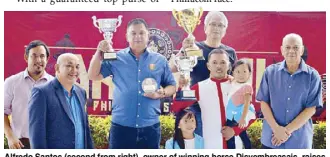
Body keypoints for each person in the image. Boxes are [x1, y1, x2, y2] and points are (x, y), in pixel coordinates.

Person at [88, 18, 176, 149]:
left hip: (150, 128)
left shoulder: (160, 60)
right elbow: (93, 75)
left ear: (148, 36)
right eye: (133, 33)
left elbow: (172, 86)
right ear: (127, 36)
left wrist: (161, 93)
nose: (138, 37)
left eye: (141, 33)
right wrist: (98, 53)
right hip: (121, 128)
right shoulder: (116, 58)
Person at [171, 11, 237, 136]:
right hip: (196, 107)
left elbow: (234, 79)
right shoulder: (194, 47)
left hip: (221, 108)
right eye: (213, 24)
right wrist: (184, 49)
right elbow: (173, 68)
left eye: (220, 25)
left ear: (225, 30)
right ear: (205, 28)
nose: (216, 28)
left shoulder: (230, 52)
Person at [172, 49, 254, 149]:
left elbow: (252, 114)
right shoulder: (199, 87)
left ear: (229, 65)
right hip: (210, 146)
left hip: (235, 145)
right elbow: (176, 107)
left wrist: (235, 130)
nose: (218, 66)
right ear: (208, 66)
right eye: (214, 62)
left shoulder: (238, 86)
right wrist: (182, 87)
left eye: (223, 62)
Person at [256, 33, 322, 149]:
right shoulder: (269, 72)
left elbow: (311, 109)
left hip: (299, 142)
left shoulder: (313, 76)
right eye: (287, 47)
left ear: (301, 50)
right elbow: (264, 103)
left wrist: (285, 131)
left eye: (296, 47)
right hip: (271, 139)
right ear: (282, 50)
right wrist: (277, 129)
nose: (291, 51)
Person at [29, 53, 94, 149]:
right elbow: (36, 136)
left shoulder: (81, 93)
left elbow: (85, 130)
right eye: (69, 66)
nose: (74, 70)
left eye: (77, 66)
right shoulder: (42, 93)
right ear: (57, 68)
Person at [4, 40, 54, 149]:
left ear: (47, 59)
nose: (38, 60)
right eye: (34, 56)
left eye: (42, 56)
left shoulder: (55, 85)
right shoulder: (11, 82)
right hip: (19, 144)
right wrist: (10, 137)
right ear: (26, 58)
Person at [225, 59, 256, 149]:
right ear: (233, 72)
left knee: (237, 135)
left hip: (239, 115)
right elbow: (228, 77)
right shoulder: (234, 81)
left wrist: (243, 118)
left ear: (249, 73)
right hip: (231, 114)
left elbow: (247, 103)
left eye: (244, 71)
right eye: (238, 71)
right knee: (239, 135)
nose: (241, 75)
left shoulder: (247, 87)